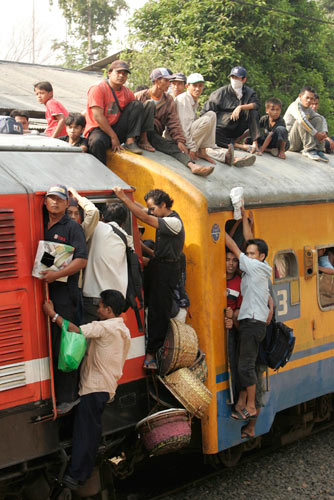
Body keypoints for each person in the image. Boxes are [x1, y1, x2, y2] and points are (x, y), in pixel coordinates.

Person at [42, 289, 131, 490]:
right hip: (106, 387)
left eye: (100, 305)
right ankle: (82, 473)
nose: (97, 308)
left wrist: (52, 314)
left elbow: (74, 330)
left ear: (108, 310)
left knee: (85, 433)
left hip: (94, 387)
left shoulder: (104, 327)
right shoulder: (123, 329)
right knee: (91, 431)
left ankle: (76, 475)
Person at [113, 187, 184, 370]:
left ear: (163, 205)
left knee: (158, 311)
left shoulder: (174, 222)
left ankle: (152, 354)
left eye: (153, 208)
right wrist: (128, 197)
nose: (150, 211)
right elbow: (144, 211)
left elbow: (144, 217)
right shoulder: (162, 215)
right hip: (158, 264)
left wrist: (123, 198)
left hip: (166, 270)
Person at [43, 185, 88, 413]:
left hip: (64, 293)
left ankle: (68, 397)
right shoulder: (40, 223)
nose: (54, 203)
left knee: (65, 341)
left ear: (66, 203)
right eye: (50, 198)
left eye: (59, 199)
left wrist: (56, 275)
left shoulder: (72, 228)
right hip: (45, 291)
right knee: (50, 342)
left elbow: (81, 261)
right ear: (45, 202)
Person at [225, 228, 272, 421]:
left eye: (252, 254)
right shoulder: (258, 267)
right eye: (249, 253)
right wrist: (244, 219)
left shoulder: (255, 267)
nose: (248, 256)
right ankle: (245, 403)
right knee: (245, 364)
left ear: (261, 257)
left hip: (252, 323)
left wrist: (219, 230)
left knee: (245, 366)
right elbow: (246, 242)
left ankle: (250, 406)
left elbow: (235, 247)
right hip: (252, 322)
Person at [135, 67, 214, 177]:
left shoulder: (168, 100)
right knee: (149, 105)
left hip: (153, 135)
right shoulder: (139, 96)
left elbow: (173, 122)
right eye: (167, 81)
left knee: (175, 148)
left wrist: (180, 140)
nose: (169, 84)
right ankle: (143, 140)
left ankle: (192, 166)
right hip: (136, 133)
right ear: (157, 81)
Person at [175, 72, 256, 166]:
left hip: (189, 137)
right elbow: (184, 128)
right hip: (180, 139)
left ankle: (209, 152)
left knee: (212, 115)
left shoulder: (194, 100)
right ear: (187, 86)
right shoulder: (184, 99)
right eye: (194, 85)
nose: (197, 89)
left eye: (200, 86)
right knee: (206, 120)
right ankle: (228, 157)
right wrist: (192, 148)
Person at [84, 60, 144, 164]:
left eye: (124, 74)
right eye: (118, 72)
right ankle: (101, 171)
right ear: (109, 73)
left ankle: (130, 141)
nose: (121, 76)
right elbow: (98, 117)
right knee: (97, 142)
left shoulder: (127, 92)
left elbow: (135, 112)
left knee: (137, 104)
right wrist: (113, 137)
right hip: (99, 129)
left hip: (116, 127)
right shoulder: (98, 88)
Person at [83, 202, 131, 322]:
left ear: (103, 217)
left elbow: (91, 213)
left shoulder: (96, 227)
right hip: (115, 302)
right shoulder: (126, 238)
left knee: (89, 336)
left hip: (92, 296)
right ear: (124, 222)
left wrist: (77, 197)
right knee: (108, 338)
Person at [201, 66, 261, 153]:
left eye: (237, 77)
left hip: (238, 127)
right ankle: (240, 146)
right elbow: (206, 110)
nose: (234, 79)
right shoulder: (221, 92)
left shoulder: (248, 92)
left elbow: (256, 104)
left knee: (253, 112)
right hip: (222, 127)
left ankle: (255, 144)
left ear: (244, 80)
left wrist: (240, 107)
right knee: (213, 134)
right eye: (232, 77)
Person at [283, 85, 328, 162]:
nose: (309, 100)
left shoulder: (308, 108)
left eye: (311, 99)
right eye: (307, 98)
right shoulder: (295, 106)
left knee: (317, 119)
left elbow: (320, 118)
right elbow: (302, 120)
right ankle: (309, 149)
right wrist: (317, 134)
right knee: (301, 121)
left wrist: (324, 132)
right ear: (300, 96)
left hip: (300, 142)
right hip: (289, 142)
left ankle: (319, 149)